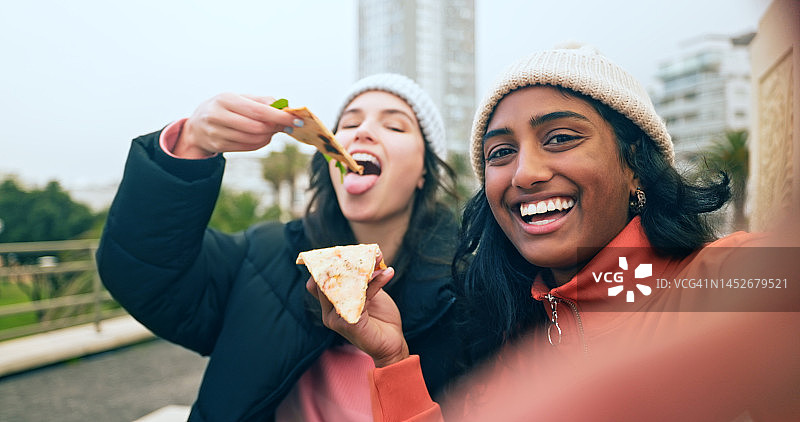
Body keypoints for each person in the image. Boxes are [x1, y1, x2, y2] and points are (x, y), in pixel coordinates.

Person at [312, 46, 800, 421]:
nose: (525, 173)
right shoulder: (506, 343)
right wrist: (391, 355)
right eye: (500, 152)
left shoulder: (731, 282)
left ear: (636, 165)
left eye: (561, 138)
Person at [95, 73, 465, 421]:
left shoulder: (471, 292)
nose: (362, 132)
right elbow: (143, 270)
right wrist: (191, 142)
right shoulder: (262, 255)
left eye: (394, 125)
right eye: (349, 123)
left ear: (423, 172)